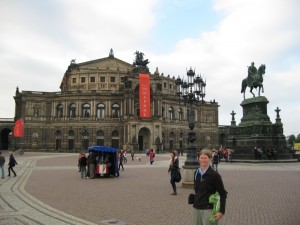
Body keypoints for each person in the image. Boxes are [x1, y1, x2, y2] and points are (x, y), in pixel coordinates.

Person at [193, 149, 227, 225]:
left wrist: (221, 211)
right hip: (196, 208)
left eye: (205, 158)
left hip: (208, 209)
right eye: (201, 158)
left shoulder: (215, 175)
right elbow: (197, 190)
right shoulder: (196, 173)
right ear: (198, 158)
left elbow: (222, 194)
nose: (203, 160)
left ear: (210, 159)